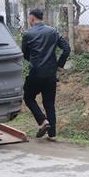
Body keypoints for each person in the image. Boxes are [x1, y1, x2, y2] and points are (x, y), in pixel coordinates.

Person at [21, 9, 71, 141]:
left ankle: (43, 121)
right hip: (50, 74)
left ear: (32, 18)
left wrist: (33, 60)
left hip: (35, 74)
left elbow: (25, 54)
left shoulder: (27, 34)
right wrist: (59, 65)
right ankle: (52, 134)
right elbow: (66, 48)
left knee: (28, 97)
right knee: (49, 103)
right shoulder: (53, 32)